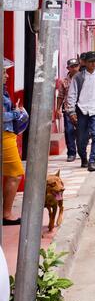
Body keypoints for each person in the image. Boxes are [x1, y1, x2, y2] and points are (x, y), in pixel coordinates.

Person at [66, 51, 95, 172]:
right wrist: (71, 111)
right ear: (85, 62)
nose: (93, 64)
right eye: (91, 61)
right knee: (81, 139)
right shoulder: (78, 77)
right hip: (82, 110)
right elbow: (72, 94)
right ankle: (83, 158)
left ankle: (92, 161)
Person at [3, 58, 27, 225]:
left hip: (8, 134)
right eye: (3, 72)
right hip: (4, 136)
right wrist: (16, 113)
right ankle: (7, 214)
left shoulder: (3, 90)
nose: (7, 75)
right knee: (16, 174)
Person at [56, 58, 81, 162]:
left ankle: (82, 151)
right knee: (69, 131)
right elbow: (60, 96)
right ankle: (71, 153)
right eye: (72, 66)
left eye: (76, 66)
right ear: (68, 68)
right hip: (68, 109)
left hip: (81, 109)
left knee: (82, 131)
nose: (74, 68)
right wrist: (57, 109)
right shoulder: (64, 81)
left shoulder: (84, 78)